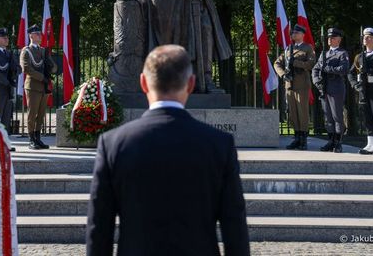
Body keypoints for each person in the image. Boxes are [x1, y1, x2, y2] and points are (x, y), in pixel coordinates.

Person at [86, 44, 250, 256]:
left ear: (143, 83)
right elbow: (234, 227)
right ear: (191, 84)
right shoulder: (219, 144)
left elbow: (99, 229)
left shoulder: (113, 144)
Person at [274, 24, 316, 150]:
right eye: (293, 33)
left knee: (302, 112)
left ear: (302, 34)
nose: (293, 34)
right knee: (292, 112)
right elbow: (277, 63)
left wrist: (295, 63)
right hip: (289, 84)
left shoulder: (307, 48)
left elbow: (311, 64)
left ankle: (303, 139)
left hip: (301, 84)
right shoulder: (288, 49)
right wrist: (282, 75)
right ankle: (297, 137)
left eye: (296, 33)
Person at [348, 27, 373, 155]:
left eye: (369, 37)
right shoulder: (359, 56)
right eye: (364, 37)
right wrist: (355, 85)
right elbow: (350, 73)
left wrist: (369, 70)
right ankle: (370, 144)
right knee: (366, 117)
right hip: (363, 89)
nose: (366, 39)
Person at [312, 28, 350, 153]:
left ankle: (338, 142)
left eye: (333, 37)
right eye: (329, 38)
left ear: (339, 40)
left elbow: (344, 69)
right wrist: (317, 81)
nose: (330, 39)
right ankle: (331, 140)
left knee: (337, 116)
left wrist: (328, 69)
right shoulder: (324, 54)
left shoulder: (342, 53)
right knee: (328, 117)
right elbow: (315, 69)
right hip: (324, 88)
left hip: (336, 88)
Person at [20, 25, 57, 150]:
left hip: (44, 87)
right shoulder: (26, 51)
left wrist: (51, 67)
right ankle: (31, 139)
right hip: (33, 86)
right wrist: (42, 77)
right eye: (37, 34)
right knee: (33, 113)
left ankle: (38, 137)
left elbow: (54, 67)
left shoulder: (43, 51)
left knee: (41, 114)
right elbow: (26, 69)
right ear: (31, 36)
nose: (40, 36)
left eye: (40, 34)